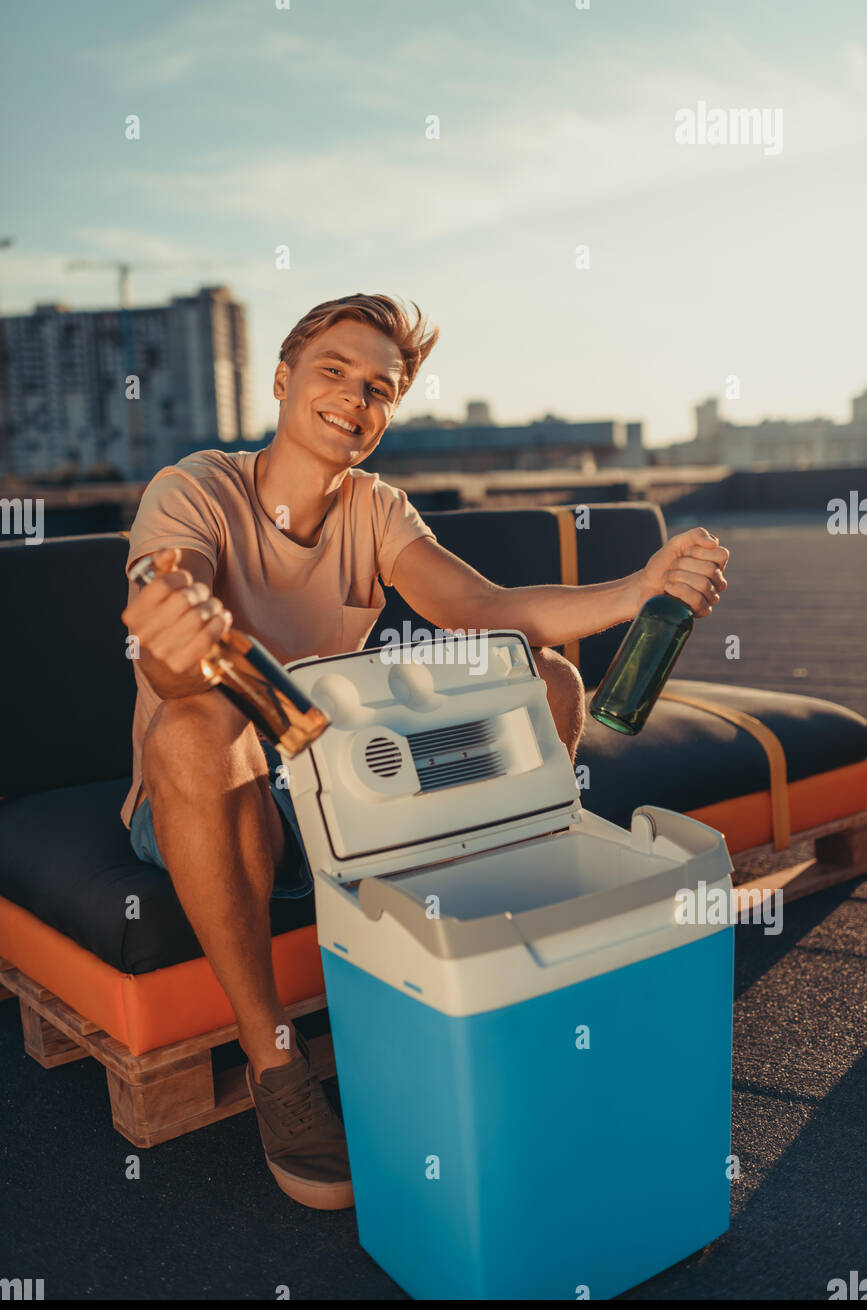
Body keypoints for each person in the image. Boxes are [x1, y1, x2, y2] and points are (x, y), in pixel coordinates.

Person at [120, 292, 730, 1210]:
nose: (353, 399)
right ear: (283, 381)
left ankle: (514, 941)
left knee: (546, 680)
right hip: (205, 802)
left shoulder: (375, 508)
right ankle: (275, 1066)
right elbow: (171, 608)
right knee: (200, 719)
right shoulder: (194, 490)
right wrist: (174, 635)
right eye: (333, 372)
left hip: (332, 792)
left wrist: (638, 585)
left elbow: (483, 612)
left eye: (379, 388)